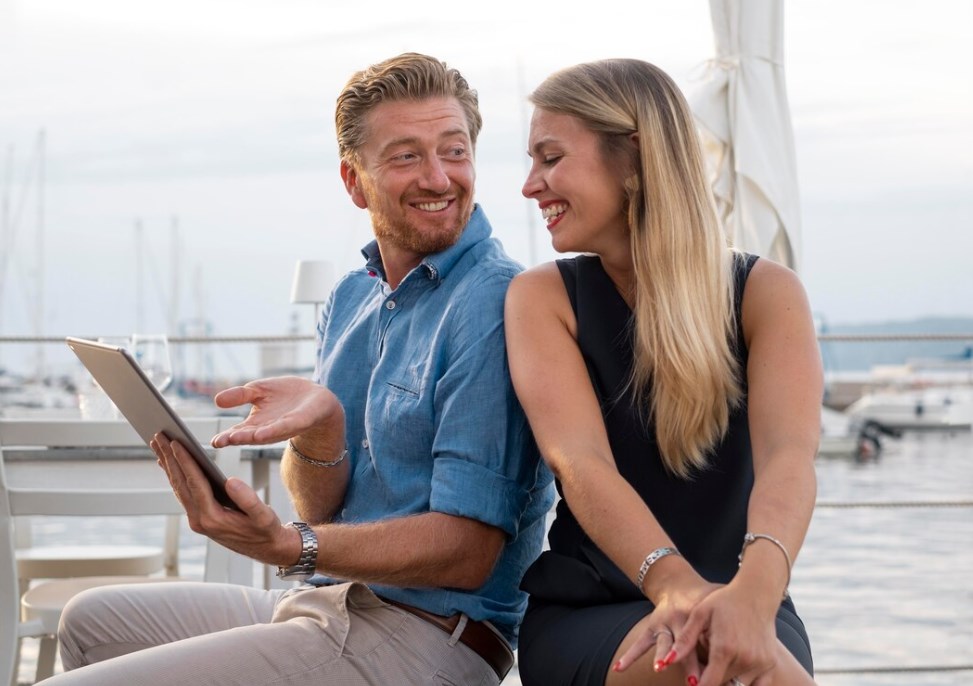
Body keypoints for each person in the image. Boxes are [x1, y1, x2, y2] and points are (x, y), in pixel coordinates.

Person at [45, 52, 553, 686]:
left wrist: (291, 545)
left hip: (429, 636)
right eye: (405, 156)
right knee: (91, 621)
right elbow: (319, 504)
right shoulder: (351, 299)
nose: (438, 178)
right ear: (354, 180)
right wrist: (320, 432)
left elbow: (468, 552)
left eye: (453, 151)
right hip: (328, 603)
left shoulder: (496, 299)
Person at [505, 58, 822, 686]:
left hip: (749, 595)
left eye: (549, 157)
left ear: (633, 158)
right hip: (593, 610)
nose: (529, 185)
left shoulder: (767, 294)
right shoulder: (541, 299)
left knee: (732, 652)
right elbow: (580, 463)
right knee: (708, 661)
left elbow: (791, 457)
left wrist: (754, 595)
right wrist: (676, 587)